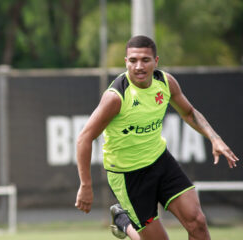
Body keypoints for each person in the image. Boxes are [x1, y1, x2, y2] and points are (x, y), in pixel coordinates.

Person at [75, 35, 239, 240]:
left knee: (197, 223)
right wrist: (85, 186)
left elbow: (189, 113)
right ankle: (124, 222)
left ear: (156, 61)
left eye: (145, 60)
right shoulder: (116, 97)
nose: (139, 66)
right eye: (133, 60)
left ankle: (127, 221)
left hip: (160, 161)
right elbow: (84, 138)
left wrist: (215, 138)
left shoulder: (165, 82)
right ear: (126, 62)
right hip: (128, 175)